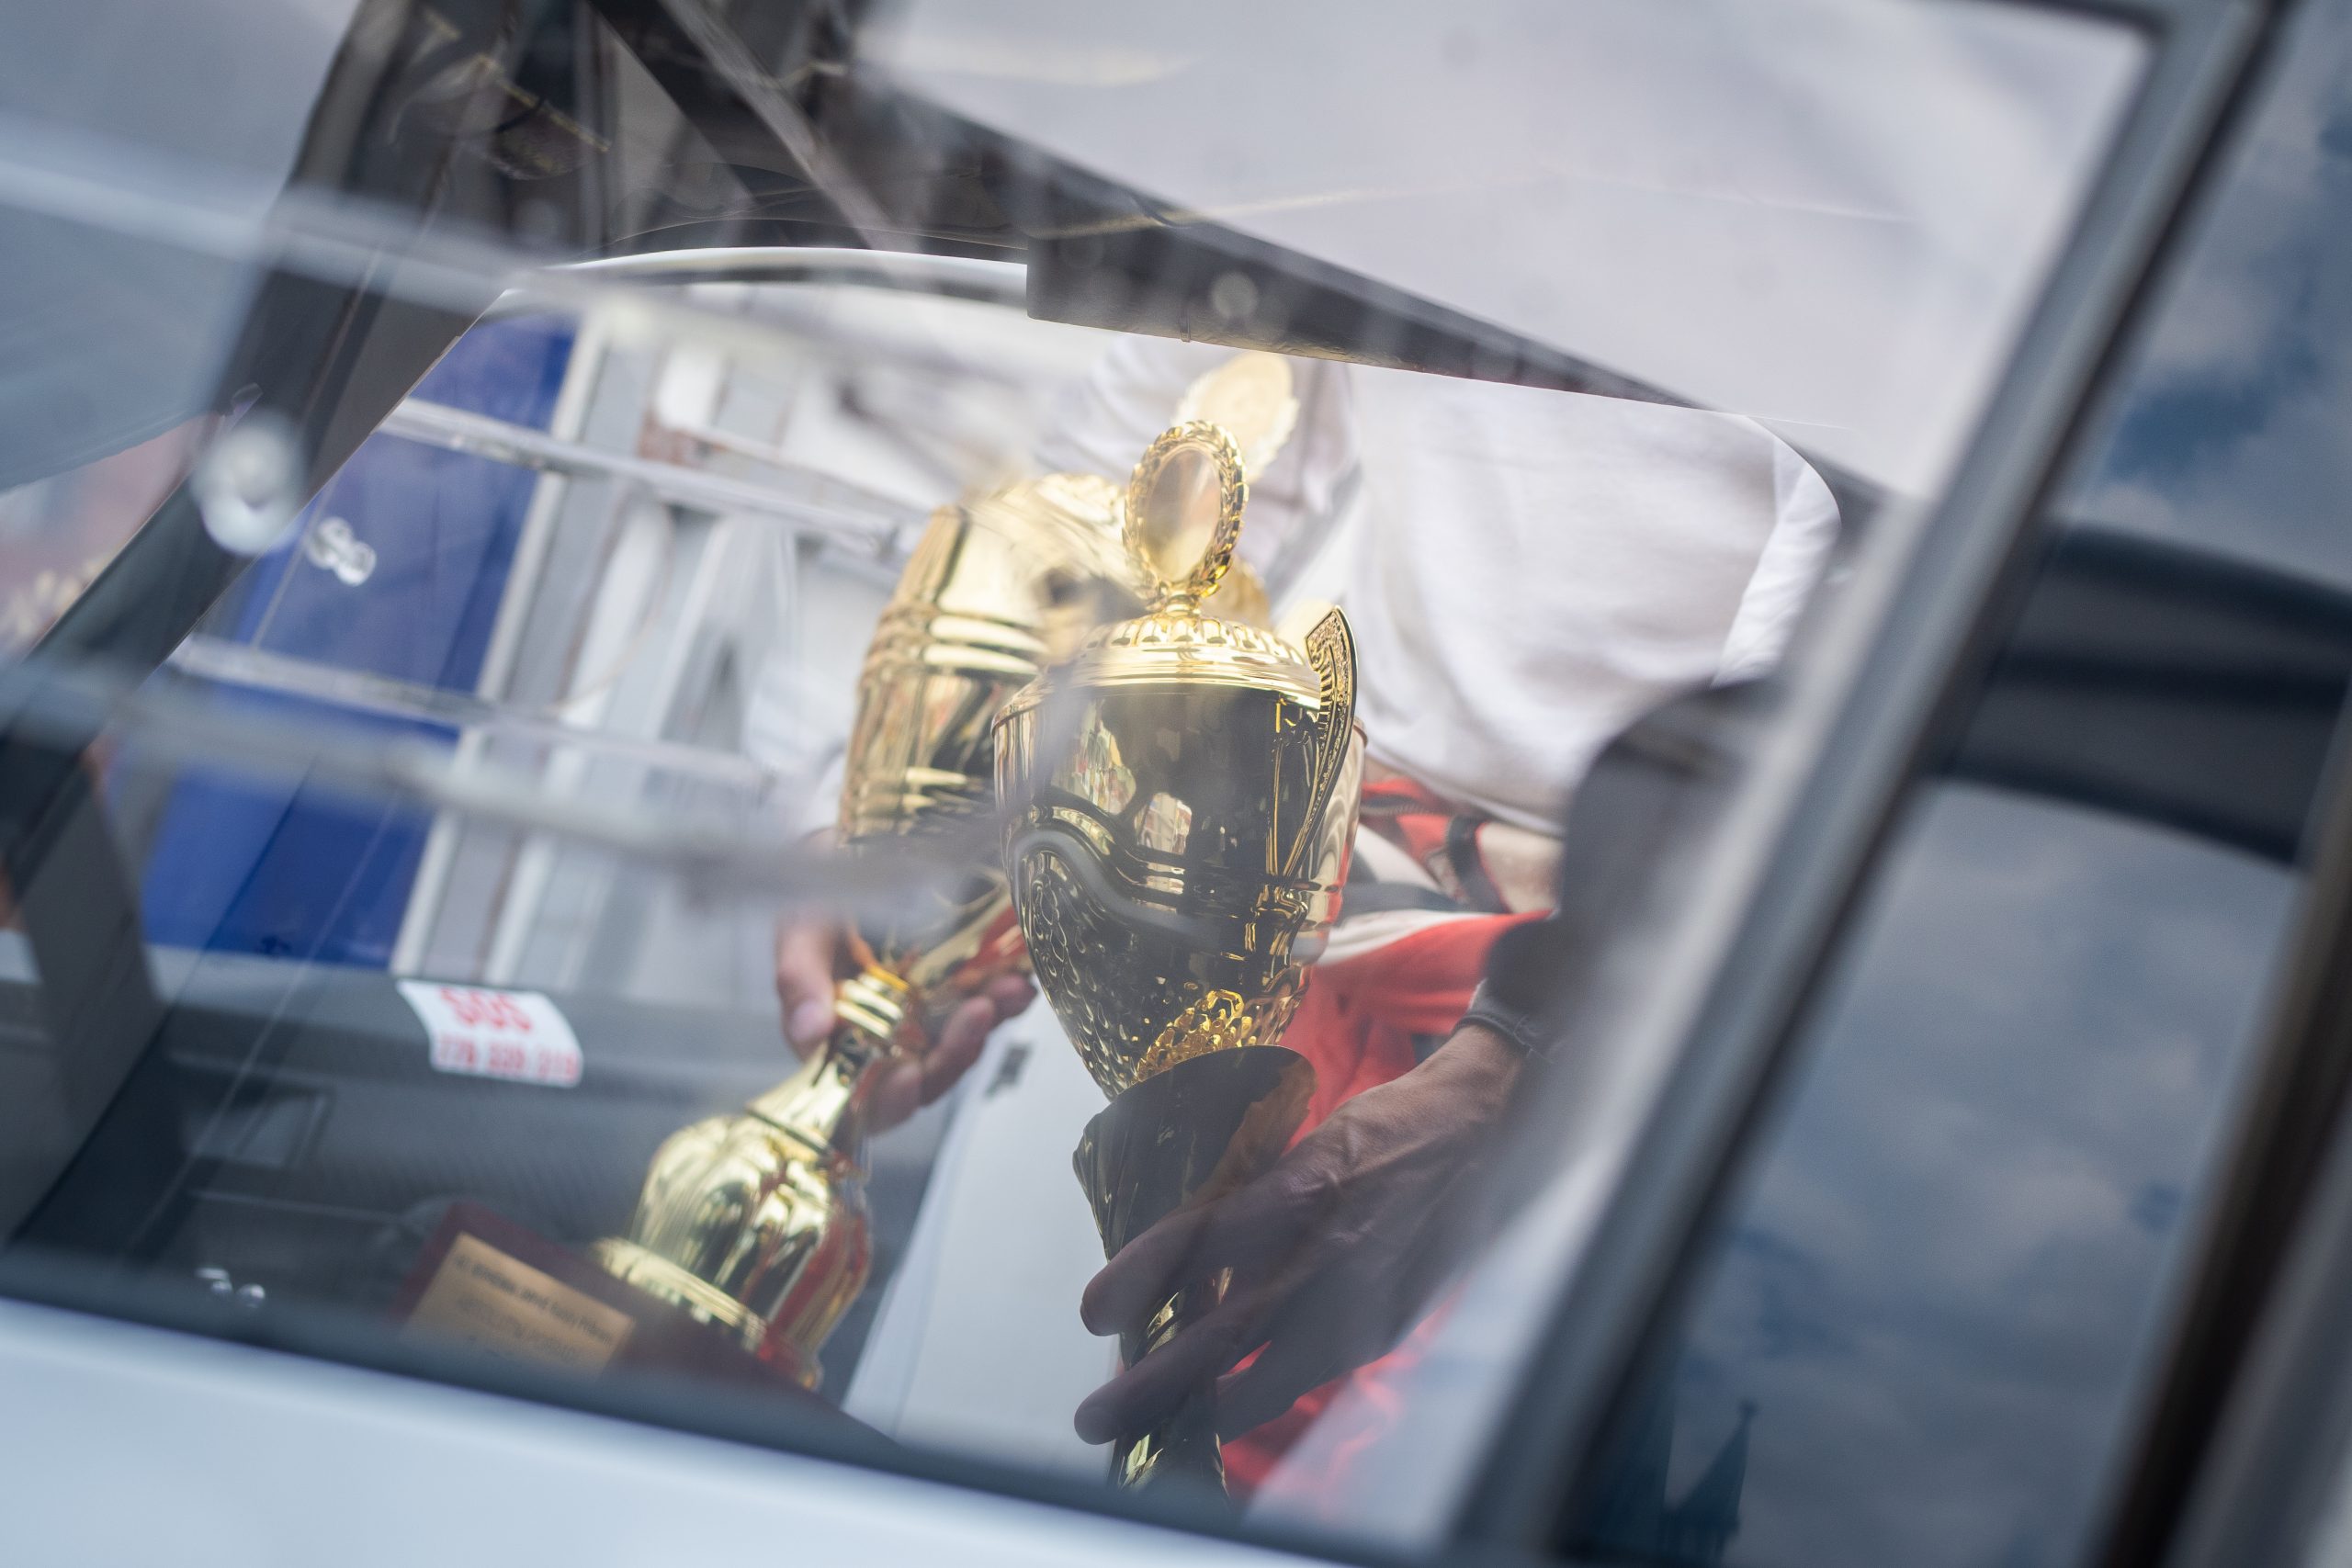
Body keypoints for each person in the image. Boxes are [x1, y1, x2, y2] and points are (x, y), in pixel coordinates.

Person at [775, 338, 1838, 1489]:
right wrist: (910, 816)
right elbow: (1149, 466)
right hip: (1316, 912)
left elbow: (1854, 648)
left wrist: (1530, 1051)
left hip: (1702, 994)